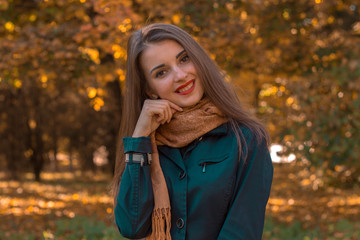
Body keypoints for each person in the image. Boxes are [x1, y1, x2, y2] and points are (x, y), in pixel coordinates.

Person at [111, 23, 273, 240]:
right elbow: (131, 226)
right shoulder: (148, 145)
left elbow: (242, 232)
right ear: (149, 89)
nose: (180, 75)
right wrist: (140, 136)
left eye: (184, 59)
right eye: (161, 72)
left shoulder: (247, 141)